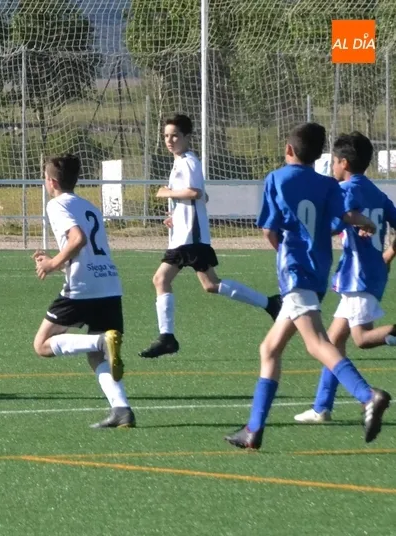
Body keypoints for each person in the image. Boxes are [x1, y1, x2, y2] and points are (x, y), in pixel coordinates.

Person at [224, 123, 389, 449]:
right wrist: (366, 222)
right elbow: (344, 217)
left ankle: (367, 395)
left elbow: (269, 229)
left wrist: (284, 251)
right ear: (319, 156)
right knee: (269, 349)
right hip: (318, 272)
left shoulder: (276, 179)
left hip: (295, 272)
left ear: (288, 149)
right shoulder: (327, 184)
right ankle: (253, 430)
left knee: (317, 344)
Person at [139, 114, 281, 359]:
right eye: (166, 136)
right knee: (210, 284)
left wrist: (166, 193)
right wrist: (175, 215)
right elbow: (202, 197)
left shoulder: (189, 161)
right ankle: (270, 304)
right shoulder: (180, 162)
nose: (169, 140)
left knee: (161, 279)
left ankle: (167, 337)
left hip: (190, 237)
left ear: (187, 137)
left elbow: (195, 192)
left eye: (175, 136)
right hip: (186, 235)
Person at [295, 132, 396, 423]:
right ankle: (322, 407)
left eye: (334, 161)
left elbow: (334, 224)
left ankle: (332, 405)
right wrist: (387, 255)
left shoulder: (346, 191)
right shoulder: (376, 192)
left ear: (344, 163)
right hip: (369, 273)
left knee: (361, 338)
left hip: (358, 276)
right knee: (333, 342)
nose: (332, 166)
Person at [32, 154, 133, 428]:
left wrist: (52, 263)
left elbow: (78, 239)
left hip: (83, 286)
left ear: (51, 181)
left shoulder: (56, 204)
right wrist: (57, 261)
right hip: (109, 283)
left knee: (42, 345)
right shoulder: (89, 206)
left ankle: (100, 341)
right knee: (97, 358)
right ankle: (122, 409)